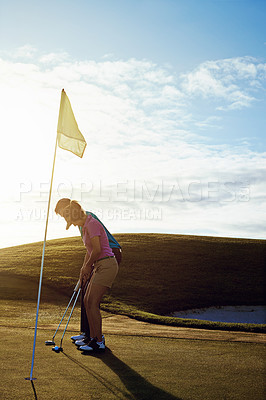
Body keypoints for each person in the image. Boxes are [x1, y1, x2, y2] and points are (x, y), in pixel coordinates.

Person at [55, 198, 121, 352]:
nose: (74, 226)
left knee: (92, 302)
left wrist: (87, 265)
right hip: (99, 263)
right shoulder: (84, 226)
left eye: (73, 222)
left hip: (107, 262)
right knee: (87, 300)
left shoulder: (90, 223)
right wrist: (84, 267)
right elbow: (90, 250)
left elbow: (97, 250)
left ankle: (98, 340)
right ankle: (92, 337)